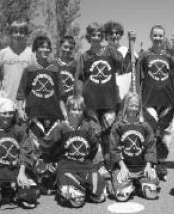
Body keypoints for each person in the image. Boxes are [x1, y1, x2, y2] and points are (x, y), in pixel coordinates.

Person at [16, 35, 66, 194]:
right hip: (35, 115)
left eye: (47, 47)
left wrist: (64, 112)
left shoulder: (55, 69)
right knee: (36, 149)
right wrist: (20, 108)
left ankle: (51, 180)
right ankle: (38, 180)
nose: (44, 50)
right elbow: (21, 92)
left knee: (52, 149)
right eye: (41, 47)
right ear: (35, 50)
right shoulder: (29, 69)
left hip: (53, 115)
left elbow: (60, 95)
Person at [42, 89, 106, 208]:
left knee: (99, 195)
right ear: (67, 110)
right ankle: (70, 186)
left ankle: (84, 186)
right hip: (67, 165)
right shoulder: (61, 127)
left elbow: (94, 146)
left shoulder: (87, 128)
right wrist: (50, 160)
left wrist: (87, 159)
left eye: (79, 110)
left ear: (83, 111)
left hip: (85, 164)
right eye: (73, 109)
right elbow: (47, 144)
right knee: (77, 200)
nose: (76, 113)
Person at [75, 22, 124, 174]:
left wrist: (113, 46)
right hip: (91, 102)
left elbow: (120, 63)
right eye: (93, 35)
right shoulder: (84, 56)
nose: (96, 38)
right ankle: (94, 167)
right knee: (93, 134)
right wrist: (78, 95)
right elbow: (79, 78)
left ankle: (110, 165)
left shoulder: (109, 51)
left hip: (109, 101)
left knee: (108, 136)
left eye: (99, 35)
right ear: (89, 38)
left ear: (102, 37)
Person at [0, 98, 38, 211]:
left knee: (30, 198)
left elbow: (25, 152)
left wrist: (22, 173)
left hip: (16, 171)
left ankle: (13, 191)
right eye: (4, 113)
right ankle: (3, 191)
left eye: (10, 113)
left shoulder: (19, 131)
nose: (8, 116)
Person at [136, 25, 174, 179]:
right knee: (150, 130)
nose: (158, 38)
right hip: (148, 100)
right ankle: (150, 160)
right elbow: (138, 78)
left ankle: (161, 162)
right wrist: (137, 95)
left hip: (168, 101)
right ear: (150, 37)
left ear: (164, 37)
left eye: (161, 36)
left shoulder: (170, 58)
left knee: (166, 132)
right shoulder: (144, 56)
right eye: (155, 35)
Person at [110, 92, 159, 202]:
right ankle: (118, 182)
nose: (134, 108)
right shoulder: (118, 126)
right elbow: (114, 150)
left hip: (142, 167)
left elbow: (151, 147)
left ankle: (138, 184)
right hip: (124, 167)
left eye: (136, 106)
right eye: (131, 105)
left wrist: (148, 165)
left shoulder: (145, 126)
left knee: (151, 195)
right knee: (122, 196)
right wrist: (122, 167)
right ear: (125, 106)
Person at [0, 18, 34, 106]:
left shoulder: (32, 55)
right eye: (15, 32)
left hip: (26, 104)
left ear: (26, 35)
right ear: (10, 34)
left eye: (22, 32)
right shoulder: (2, 54)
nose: (18, 35)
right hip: (6, 104)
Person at [56, 35, 77, 103]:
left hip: (72, 101)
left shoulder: (76, 65)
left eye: (71, 48)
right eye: (65, 47)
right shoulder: (53, 64)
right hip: (56, 102)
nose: (68, 50)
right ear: (60, 46)